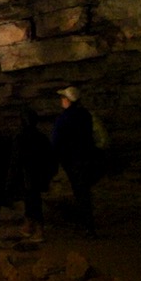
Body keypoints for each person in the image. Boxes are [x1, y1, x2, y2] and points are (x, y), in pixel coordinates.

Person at [52, 86, 97, 237]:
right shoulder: (85, 115)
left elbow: (57, 141)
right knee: (84, 191)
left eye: (63, 98)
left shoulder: (63, 118)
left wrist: (55, 158)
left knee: (80, 191)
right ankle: (88, 224)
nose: (61, 100)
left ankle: (87, 226)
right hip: (87, 157)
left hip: (71, 160)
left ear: (68, 100)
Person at [9, 108, 55, 241]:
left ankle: (39, 230)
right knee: (32, 200)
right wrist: (49, 174)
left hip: (26, 176)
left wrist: (11, 178)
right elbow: (50, 157)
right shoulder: (41, 137)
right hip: (39, 174)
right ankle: (29, 225)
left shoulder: (20, 137)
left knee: (33, 201)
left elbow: (15, 160)